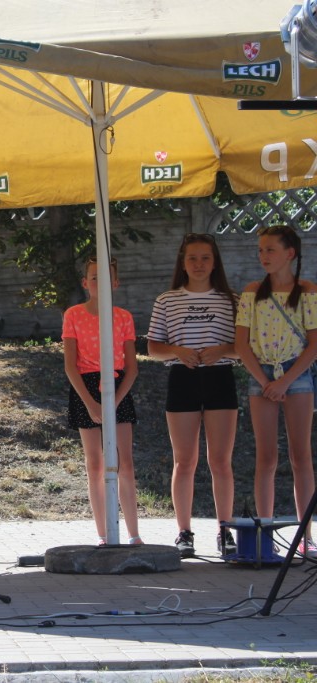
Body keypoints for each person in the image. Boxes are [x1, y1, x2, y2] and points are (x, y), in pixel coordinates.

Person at [147, 234, 239, 558]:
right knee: (184, 460)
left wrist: (224, 349)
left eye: (205, 258)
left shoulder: (232, 300)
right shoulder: (166, 300)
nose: (199, 264)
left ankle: (225, 530)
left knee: (220, 461)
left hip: (220, 379)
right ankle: (184, 532)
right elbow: (153, 347)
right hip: (182, 379)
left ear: (215, 263)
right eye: (192, 258)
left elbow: (246, 347)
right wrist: (177, 350)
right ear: (182, 263)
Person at [235, 224, 317, 559]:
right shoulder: (252, 292)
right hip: (262, 375)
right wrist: (265, 380)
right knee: (266, 456)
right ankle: (264, 533)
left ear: (290, 253)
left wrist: (284, 382)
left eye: (270, 249)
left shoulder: (307, 290)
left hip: (297, 375)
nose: (263, 256)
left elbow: (314, 345)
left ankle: (305, 535)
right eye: (261, 250)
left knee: (301, 456)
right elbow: (242, 344)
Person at [62, 256, 142, 546]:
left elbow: (132, 368)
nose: (101, 283)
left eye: (107, 277)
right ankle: (103, 535)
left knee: (124, 463)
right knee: (95, 464)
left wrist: (114, 402)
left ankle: (133, 533)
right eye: (95, 277)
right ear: (86, 283)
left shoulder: (123, 317)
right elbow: (70, 366)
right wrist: (91, 404)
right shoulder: (73, 315)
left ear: (116, 283)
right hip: (85, 389)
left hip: (117, 389)